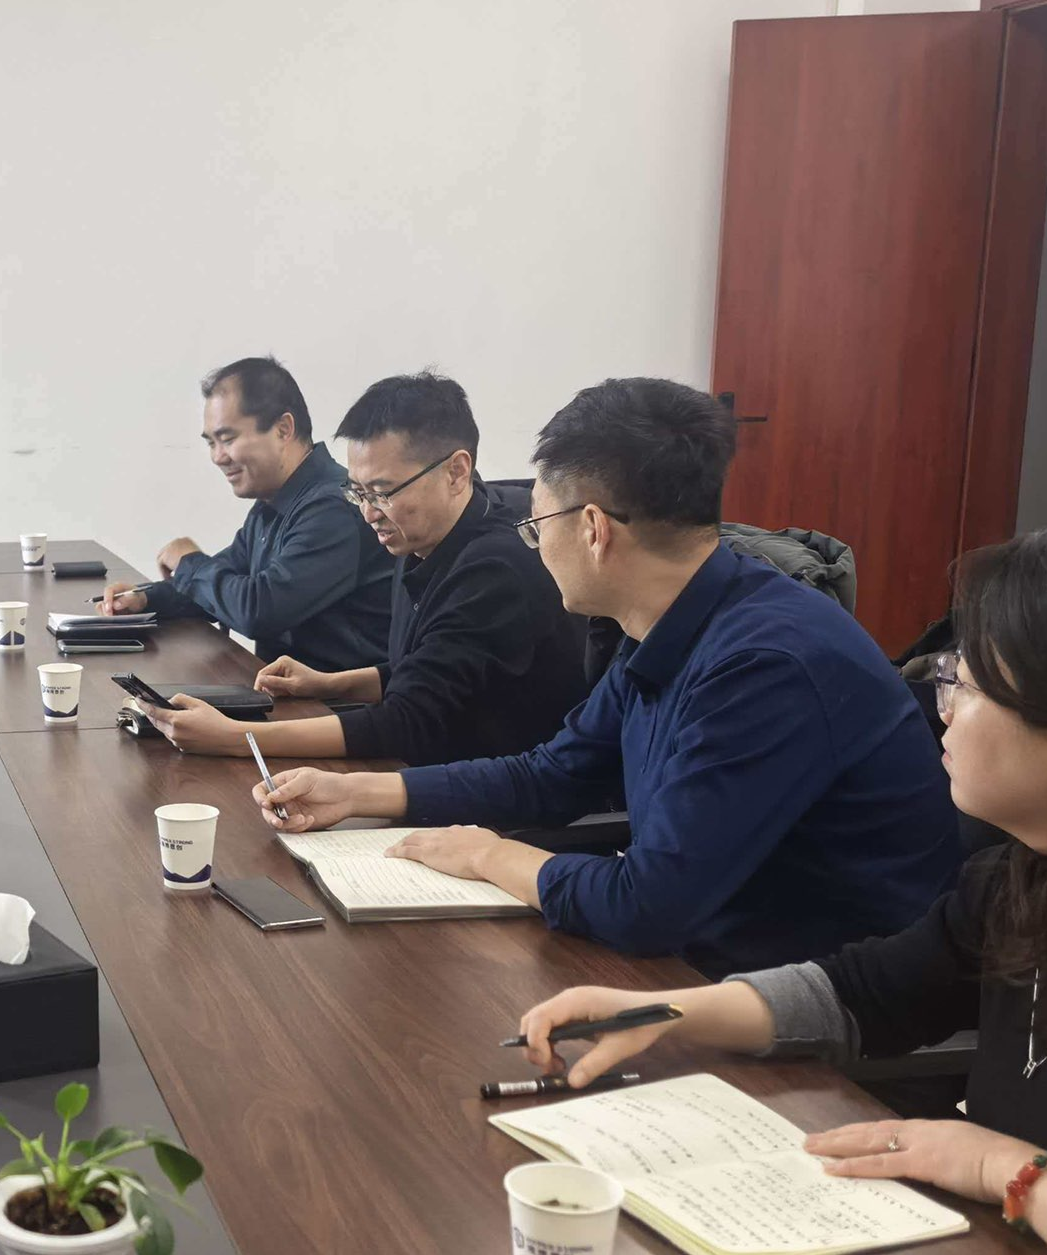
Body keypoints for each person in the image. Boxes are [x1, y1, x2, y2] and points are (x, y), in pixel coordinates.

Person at [514, 518, 1047, 1255]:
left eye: (967, 684)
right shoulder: (1025, 876)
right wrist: (666, 1013)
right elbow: (862, 992)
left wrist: (1001, 1167)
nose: (940, 708)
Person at [253, 377, 958, 973]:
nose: (534, 547)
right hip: (708, 959)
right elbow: (554, 775)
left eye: (536, 526)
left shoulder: (766, 666)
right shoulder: (671, 618)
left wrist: (489, 856)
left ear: (593, 528)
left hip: (805, 999)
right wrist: (357, 792)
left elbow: (649, 905)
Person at [143, 371, 584, 763]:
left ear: (455, 472)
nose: (369, 512)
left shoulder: (493, 570)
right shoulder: (415, 538)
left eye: (382, 492)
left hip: (485, 793)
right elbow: (428, 669)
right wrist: (330, 683)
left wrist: (237, 738)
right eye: (358, 493)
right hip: (430, 767)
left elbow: (406, 719)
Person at [99, 356, 390, 672]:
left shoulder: (333, 507)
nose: (217, 457)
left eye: (227, 439)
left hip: (333, 698)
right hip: (283, 689)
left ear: (283, 429)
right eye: (211, 443)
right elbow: (228, 584)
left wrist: (188, 562)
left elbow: (259, 611)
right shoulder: (272, 501)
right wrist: (145, 599)